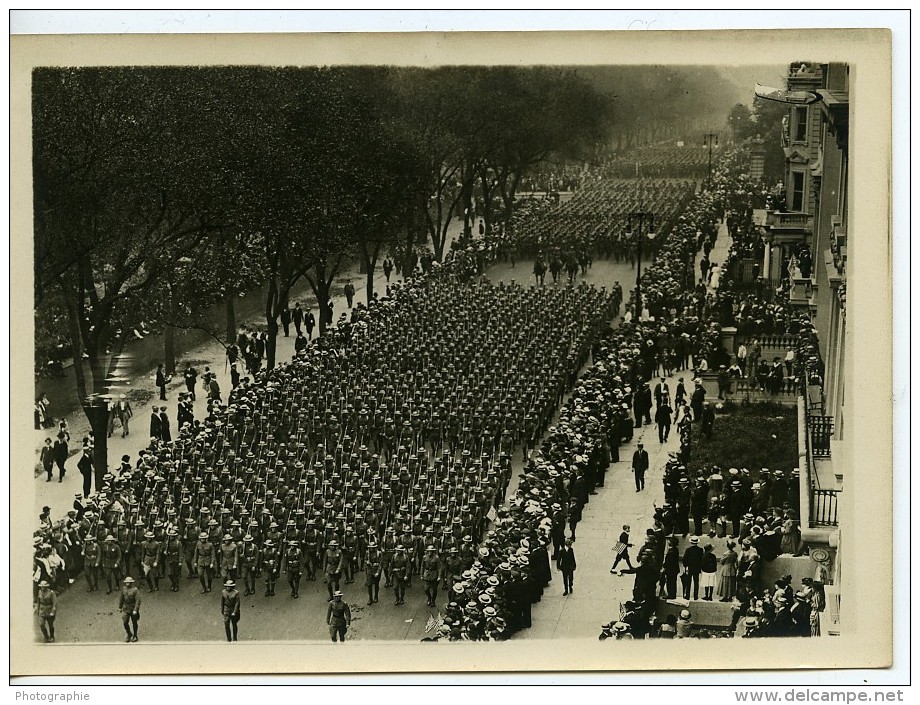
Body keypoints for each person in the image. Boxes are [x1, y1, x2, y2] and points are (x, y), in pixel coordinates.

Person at [118, 576, 141, 643]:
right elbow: (121, 599)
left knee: (134, 623)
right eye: (126, 582)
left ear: (131, 583)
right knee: (125, 622)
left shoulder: (135, 590)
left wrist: (135, 610)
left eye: (128, 582)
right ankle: (129, 634)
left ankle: (135, 635)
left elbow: (138, 601)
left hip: (133, 608)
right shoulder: (123, 589)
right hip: (126, 608)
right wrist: (120, 607)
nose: (127, 583)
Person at [681, 536, 705, 600]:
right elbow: (701, 559)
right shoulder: (700, 550)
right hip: (697, 568)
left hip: (689, 567)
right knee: (696, 582)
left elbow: (684, 559)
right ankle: (695, 596)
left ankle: (687, 595)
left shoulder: (688, 550)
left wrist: (685, 566)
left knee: (688, 582)